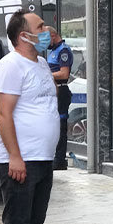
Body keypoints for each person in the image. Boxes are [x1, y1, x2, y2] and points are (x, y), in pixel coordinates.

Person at [0, 10, 59, 224]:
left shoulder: (42, 63)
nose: (46, 29)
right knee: (16, 223)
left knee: (34, 221)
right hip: (21, 159)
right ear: (23, 35)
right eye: (40, 26)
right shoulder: (10, 66)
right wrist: (14, 157)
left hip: (43, 158)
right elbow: (4, 114)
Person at [46, 27, 74, 170]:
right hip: (52, 90)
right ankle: (54, 156)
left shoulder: (63, 50)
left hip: (61, 90)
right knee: (52, 125)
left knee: (60, 125)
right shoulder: (52, 52)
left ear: (53, 35)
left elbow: (64, 74)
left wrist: (46, 75)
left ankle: (60, 159)